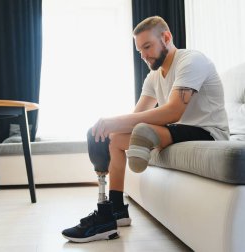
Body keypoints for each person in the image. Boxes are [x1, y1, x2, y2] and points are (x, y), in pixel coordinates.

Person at [62, 16, 229, 243]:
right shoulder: (153, 77)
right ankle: (114, 211)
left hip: (208, 133)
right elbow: (136, 116)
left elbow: (173, 112)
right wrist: (106, 127)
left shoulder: (191, 61)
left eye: (147, 47)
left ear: (166, 37)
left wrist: (115, 121)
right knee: (114, 139)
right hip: (176, 131)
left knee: (139, 129)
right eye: (140, 50)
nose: (144, 55)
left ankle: (146, 138)